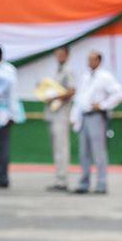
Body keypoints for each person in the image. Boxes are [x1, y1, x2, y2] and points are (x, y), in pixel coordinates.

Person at [70, 50, 122, 194]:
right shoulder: (85, 76)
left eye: (92, 59)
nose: (89, 62)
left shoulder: (105, 76)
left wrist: (103, 105)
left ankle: (101, 183)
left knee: (99, 151)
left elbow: (120, 93)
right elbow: (79, 98)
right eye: (88, 59)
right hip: (84, 116)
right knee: (84, 152)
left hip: (96, 116)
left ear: (99, 61)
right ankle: (84, 182)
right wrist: (74, 117)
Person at [0, 45, 25, 188]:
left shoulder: (8, 70)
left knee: (2, 146)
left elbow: (13, 95)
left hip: (5, 113)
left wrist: (12, 115)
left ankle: (3, 177)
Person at [43, 45, 76, 189]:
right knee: (55, 148)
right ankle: (58, 178)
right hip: (52, 113)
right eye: (57, 54)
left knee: (62, 147)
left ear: (67, 55)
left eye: (62, 54)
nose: (59, 57)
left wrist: (54, 96)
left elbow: (71, 91)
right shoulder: (56, 70)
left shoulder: (69, 71)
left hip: (62, 114)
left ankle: (62, 180)